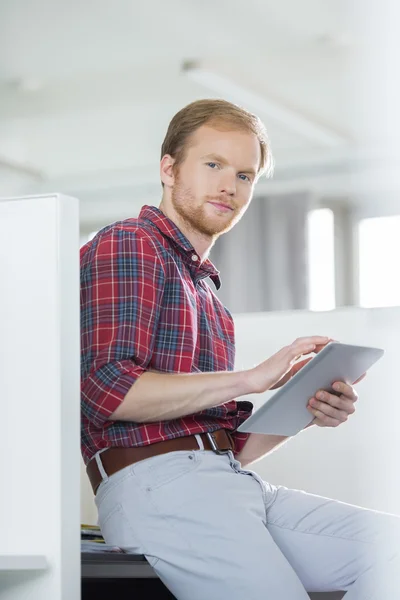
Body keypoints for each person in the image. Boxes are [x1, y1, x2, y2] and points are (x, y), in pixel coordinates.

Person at [80, 98, 400, 599]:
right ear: (168, 168)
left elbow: (227, 446)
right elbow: (108, 392)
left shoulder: (209, 296)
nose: (230, 186)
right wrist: (252, 378)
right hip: (160, 487)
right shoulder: (130, 243)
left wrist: (304, 406)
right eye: (213, 165)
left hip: (224, 479)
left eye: (245, 175)